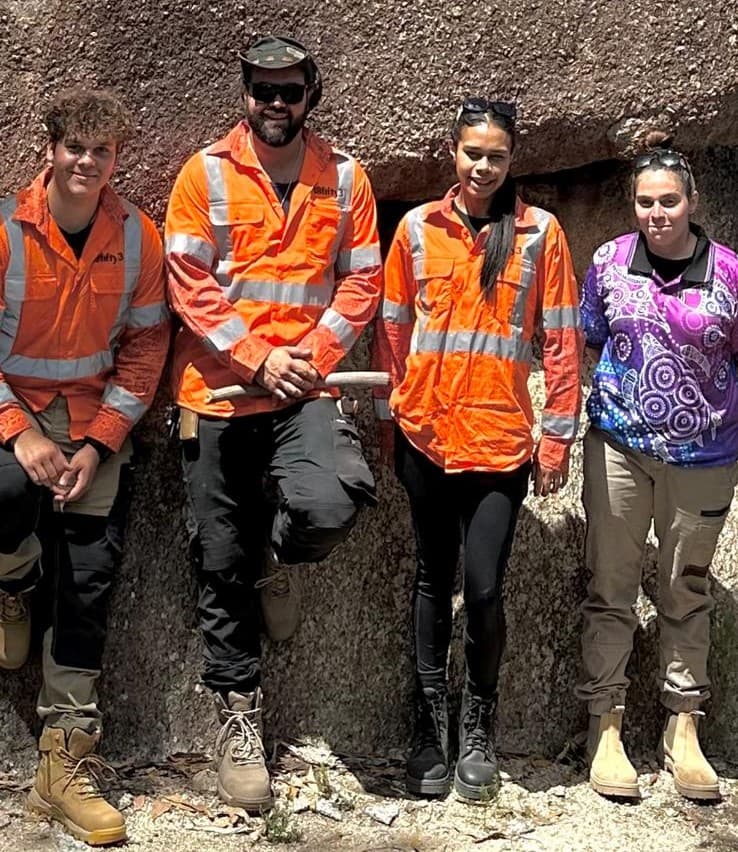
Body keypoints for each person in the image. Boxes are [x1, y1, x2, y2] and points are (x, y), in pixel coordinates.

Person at [165, 35, 381, 811]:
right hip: (218, 395)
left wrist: (312, 356)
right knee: (218, 559)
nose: (276, 105)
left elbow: (362, 282)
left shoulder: (346, 176)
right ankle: (238, 713)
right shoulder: (205, 175)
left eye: (290, 91)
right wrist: (259, 359)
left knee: (327, 506)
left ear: (311, 95)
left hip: (303, 392)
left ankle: (276, 562)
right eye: (264, 91)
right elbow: (188, 284)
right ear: (245, 95)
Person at [372, 97, 583, 799]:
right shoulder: (415, 230)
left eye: (496, 155)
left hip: (498, 443)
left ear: (511, 159)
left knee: (486, 589)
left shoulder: (539, 235)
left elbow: (560, 341)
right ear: (452, 153)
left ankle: (478, 722)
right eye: (472, 153)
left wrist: (555, 442)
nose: (483, 166)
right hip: (425, 436)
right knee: (433, 581)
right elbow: (392, 330)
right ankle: (428, 728)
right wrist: (387, 421)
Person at [0, 88, 169, 845]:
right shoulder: (5, 231)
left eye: (102, 153)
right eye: (76, 149)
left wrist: (99, 441)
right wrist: (19, 434)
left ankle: (62, 764)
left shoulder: (137, 237)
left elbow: (144, 350)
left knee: (91, 583)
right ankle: (12, 581)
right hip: (15, 421)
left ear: (114, 161)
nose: (88, 163)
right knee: (6, 497)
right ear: (51, 151)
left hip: (92, 430)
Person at [576, 142, 738, 802]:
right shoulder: (609, 262)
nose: (657, 213)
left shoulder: (730, 272)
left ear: (692, 202)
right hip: (619, 449)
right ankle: (605, 725)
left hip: (703, 459)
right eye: (645, 201)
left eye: (669, 201)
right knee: (610, 584)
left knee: (684, 588)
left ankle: (682, 726)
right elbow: (590, 339)